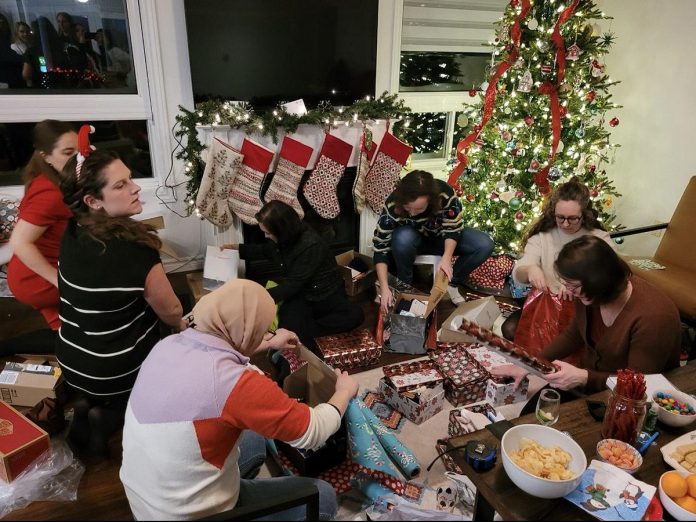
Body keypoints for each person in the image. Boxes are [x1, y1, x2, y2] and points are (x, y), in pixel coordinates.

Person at [120, 278, 355, 520]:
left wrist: (269, 343)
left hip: (149, 502)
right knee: (322, 496)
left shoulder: (168, 344)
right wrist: (343, 392)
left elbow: (220, 348)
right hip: (191, 515)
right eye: (262, 330)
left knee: (252, 438)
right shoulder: (239, 383)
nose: (264, 334)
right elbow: (312, 431)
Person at [57, 138, 185, 458]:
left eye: (130, 178)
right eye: (121, 185)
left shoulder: (72, 233)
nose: (136, 188)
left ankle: (89, 403)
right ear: (94, 200)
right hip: (114, 369)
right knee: (176, 323)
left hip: (72, 360)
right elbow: (172, 312)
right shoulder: (134, 250)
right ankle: (115, 413)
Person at [492, 235, 682, 397]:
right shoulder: (589, 296)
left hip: (632, 400)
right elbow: (573, 335)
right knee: (533, 415)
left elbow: (636, 385)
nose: (567, 290)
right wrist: (529, 364)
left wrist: (584, 377)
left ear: (598, 283)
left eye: (573, 285)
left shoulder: (655, 317)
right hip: (591, 382)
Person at [223, 200, 364, 353]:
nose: (265, 236)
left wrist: (256, 297)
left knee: (355, 315)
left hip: (324, 296)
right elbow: (266, 251)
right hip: (301, 293)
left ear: (282, 230)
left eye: (268, 232)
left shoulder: (310, 245)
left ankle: (307, 334)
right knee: (287, 327)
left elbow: (291, 286)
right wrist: (237, 249)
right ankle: (302, 337)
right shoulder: (286, 238)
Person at [502, 177, 613, 342]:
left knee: (567, 343)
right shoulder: (542, 237)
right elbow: (519, 273)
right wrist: (531, 269)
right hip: (548, 304)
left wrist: (579, 285)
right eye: (560, 217)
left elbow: (613, 275)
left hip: (584, 309)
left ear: (585, 214)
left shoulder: (600, 238)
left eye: (573, 218)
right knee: (510, 330)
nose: (566, 224)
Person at [373, 170, 494, 312]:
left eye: (418, 209)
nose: (412, 213)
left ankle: (451, 283)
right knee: (402, 237)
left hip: (442, 238)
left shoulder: (445, 193)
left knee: (485, 244)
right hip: (411, 242)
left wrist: (447, 257)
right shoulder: (393, 204)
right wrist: (385, 287)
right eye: (407, 208)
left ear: (431, 200)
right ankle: (403, 286)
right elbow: (380, 247)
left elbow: (453, 228)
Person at [6, 120, 77, 353]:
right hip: (37, 278)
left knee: (65, 334)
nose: (77, 157)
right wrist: (58, 280)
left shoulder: (50, 179)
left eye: (79, 150)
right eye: (68, 152)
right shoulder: (50, 192)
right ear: (46, 156)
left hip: (29, 274)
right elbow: (19, 241)